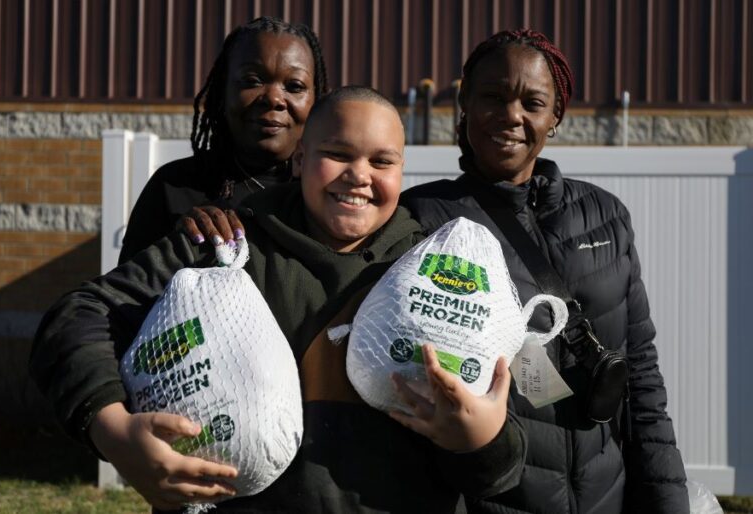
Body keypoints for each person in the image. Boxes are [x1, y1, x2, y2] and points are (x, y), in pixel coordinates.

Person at [31, 86, 526, 513]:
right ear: (300, 157)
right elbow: (79, 315)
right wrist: (112, 430)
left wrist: (483, 440)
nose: (359, 174)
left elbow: (499, 470)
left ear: (402, 169)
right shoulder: (222, 242)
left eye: (381, 161)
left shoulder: (442, 272)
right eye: (337, 153)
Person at [400, 30, 690, 513]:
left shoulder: (605, 216)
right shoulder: (424, 220)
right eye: (493, 96)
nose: (511, 115)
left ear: (555, 116)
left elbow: (640, 378)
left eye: (532, 102)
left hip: (607, 497)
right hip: (491, 497)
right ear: (464, 102)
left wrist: (667, 502)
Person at [118, 16, 329, 264]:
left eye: (294, 86)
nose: (274, 98)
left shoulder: (332, 189)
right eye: (252, 81)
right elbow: (121, 297)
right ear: (222, 92)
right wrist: (179, 248)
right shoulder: (173, 187)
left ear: (317, 100)